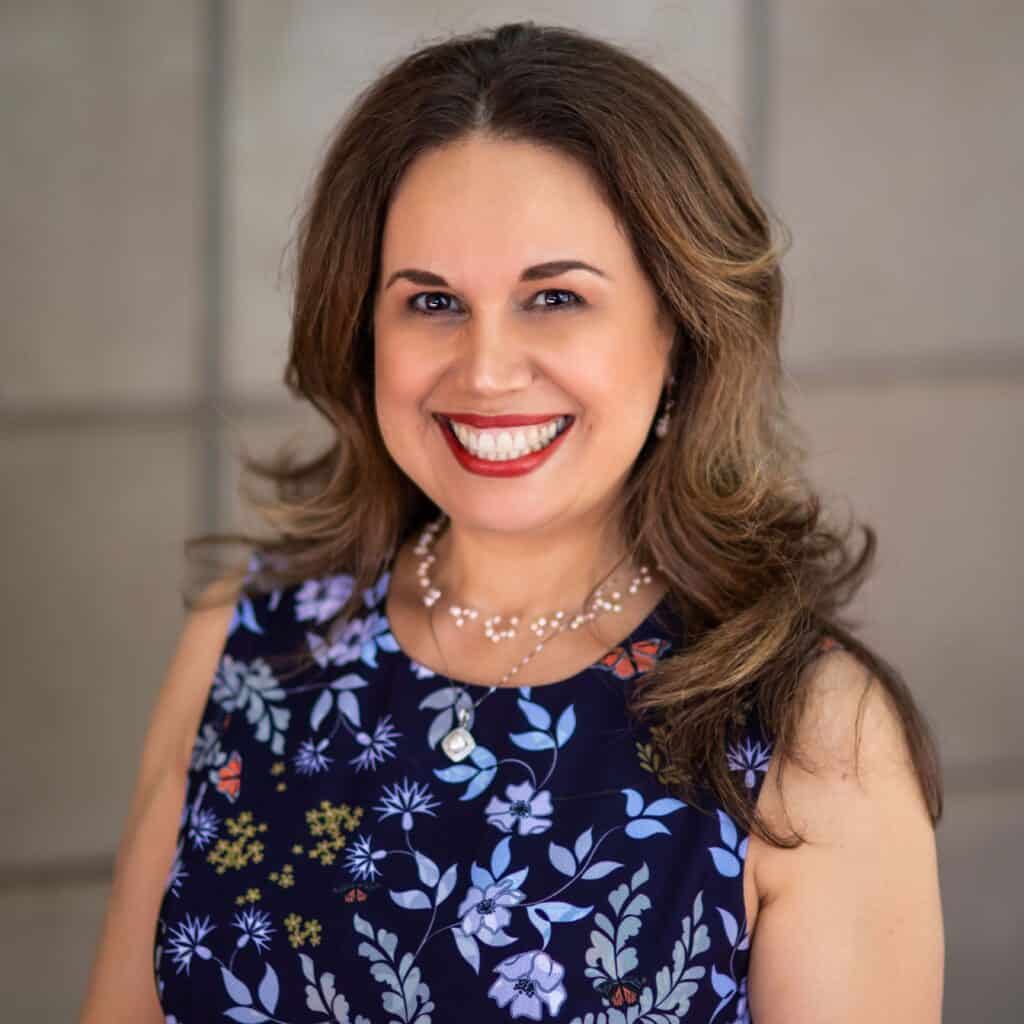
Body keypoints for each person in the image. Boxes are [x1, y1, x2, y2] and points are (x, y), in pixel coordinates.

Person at [81, 21, 944, 1023]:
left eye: (554, 297)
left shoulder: (807, 732)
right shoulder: (246, 645)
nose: (486, 371)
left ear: (679, 330)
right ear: (364, 331)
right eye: (433, 300)